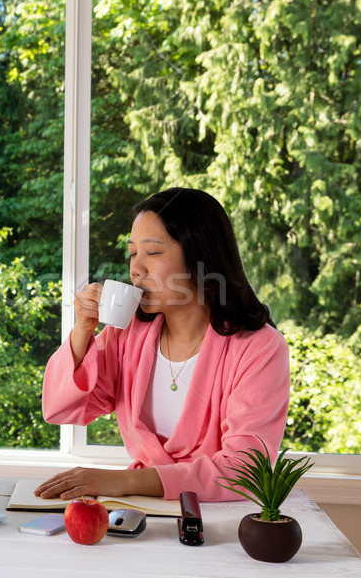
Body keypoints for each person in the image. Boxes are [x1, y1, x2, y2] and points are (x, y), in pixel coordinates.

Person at [35, 188, 290, 502]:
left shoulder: (259, 349)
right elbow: (60, 409)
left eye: (152, 253)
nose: (136, 269)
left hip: (218, 520)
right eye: (133, 253)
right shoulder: (128, 334)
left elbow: (244, 470)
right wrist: (82, 331)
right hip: (142, 513)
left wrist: (124, 481)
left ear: (200, 255)